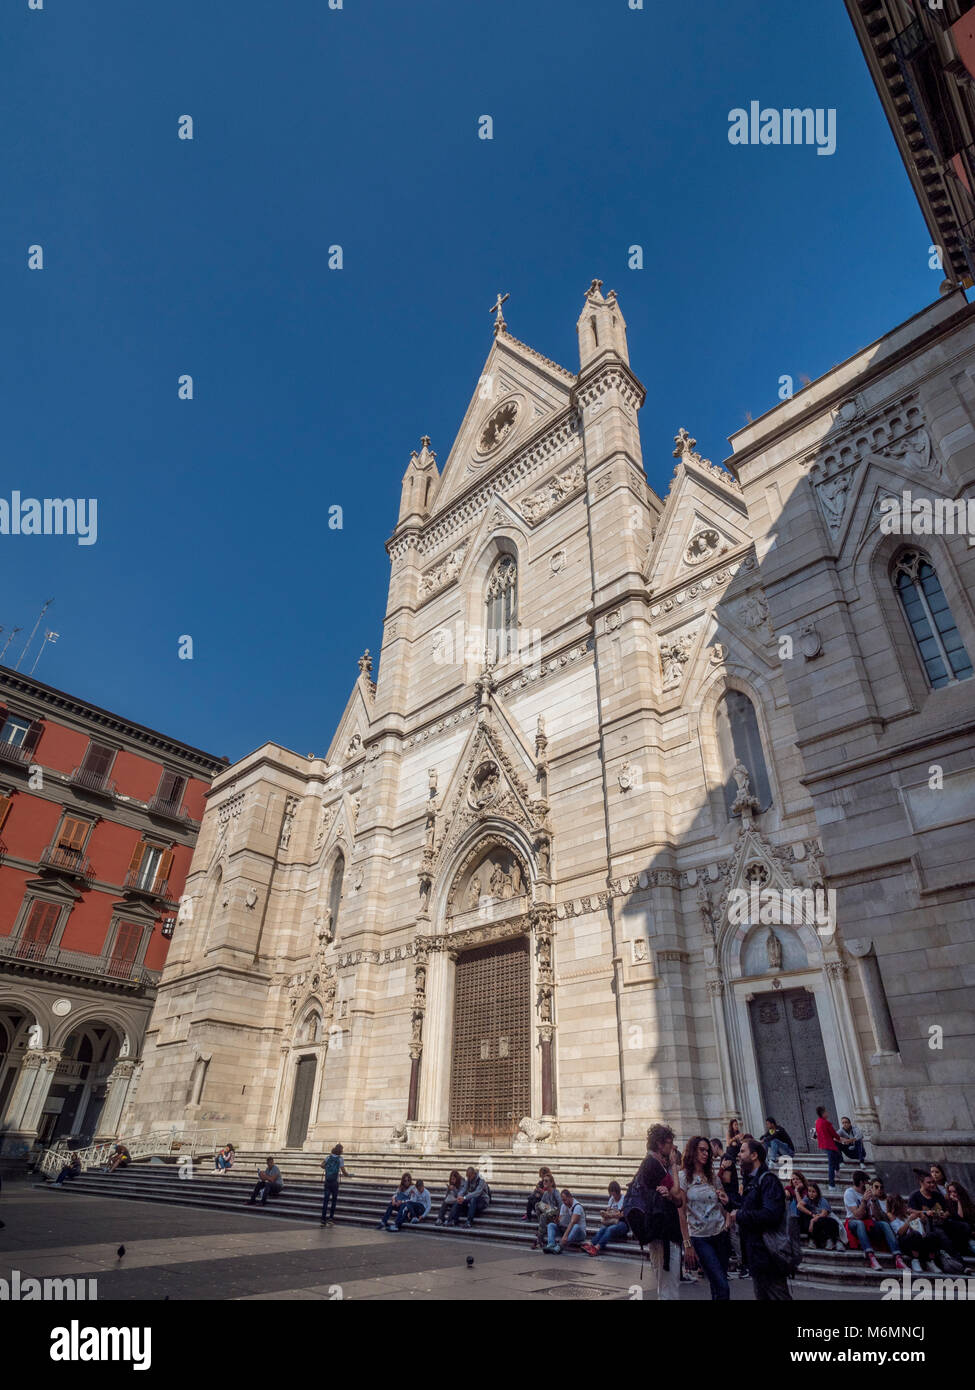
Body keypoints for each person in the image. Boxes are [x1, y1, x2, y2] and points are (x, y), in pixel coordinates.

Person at [727, 1138, 791, 1300]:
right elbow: (749, 1208)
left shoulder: (768, 1180)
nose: (739, 1155)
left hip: (769, 1256)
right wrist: (729, 1202)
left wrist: (739, 1215)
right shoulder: (752, 1181)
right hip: (757, 1256)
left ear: (754, 1155)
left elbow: (771, 1215)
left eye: (742, 1151)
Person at [626, 1123, 684, 1301]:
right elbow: (676, 1192)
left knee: (667, 1283)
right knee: (668, 1286)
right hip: (662, 1234)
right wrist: (674, 1165)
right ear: (660, 1144)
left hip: (662, 1233)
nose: (672, 1147)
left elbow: (676, 1198)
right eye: (669, 1143)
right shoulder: (652, 1164)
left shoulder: (653, 1163)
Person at [678, 1135, 732, 1300]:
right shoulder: (683, 1177)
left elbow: (724, 1201)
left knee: (717, 1284)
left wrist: (728, 1221)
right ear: (692, 1151)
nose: (706, 1154)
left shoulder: (713, 1177)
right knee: (722, 1285)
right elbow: (681, 1212)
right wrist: (687, 1244)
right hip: (700, 1238)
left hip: (720, 1234)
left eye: (707, 1151)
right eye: (702, 1150)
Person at [843, 1171, 904, 1270]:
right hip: (853, 1222)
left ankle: (898, 1257)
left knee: (884, 1224)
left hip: (868, 1221)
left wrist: (874, 1201)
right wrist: (863, 1201)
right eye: (867, 1182)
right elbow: (857, 1215)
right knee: (859, 1223)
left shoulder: (868, 1193)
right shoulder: (849, 1193)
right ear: (862, 1182)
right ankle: (871, 1256)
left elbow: (874, 1215)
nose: (868, 1184)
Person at [909, 1171, 971, 1259]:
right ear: (921, 1183)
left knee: (965, 1226)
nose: (932, 1185)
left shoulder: (937, 1195)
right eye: (929, 1183)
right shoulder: (915, 1196)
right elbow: (911, 1211)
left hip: (942, 1221)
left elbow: (947, 1210)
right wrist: (925, 1213)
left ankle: (962, 1250)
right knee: (941, 1234)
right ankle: (959, 1261)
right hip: (928, 1225)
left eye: (933, 1182)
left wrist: (945, 1214)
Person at [886, 1193, 941, 1274]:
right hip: (904, 1242)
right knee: (915, 1235)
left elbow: (920, 1227)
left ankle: (930, 1261)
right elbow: (900, 1233)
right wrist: (909, 1220)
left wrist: (922, 1221)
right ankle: (915, 1260)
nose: (904, 1206)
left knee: (933, 1235)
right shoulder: (892, 1216)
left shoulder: (907, 1214)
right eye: (902, 1205)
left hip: (918, 1239)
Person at [581, 1182, 627, 1256]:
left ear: (618, 1191)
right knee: (602, 1228)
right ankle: (591, 1243)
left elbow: (622, 1215)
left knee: (610, 1229)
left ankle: (597, 1248)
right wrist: (604, 1214)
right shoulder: (611, 1199)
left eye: (614, 1193)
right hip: (612, 1222)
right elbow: (608, 1211)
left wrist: (610, 1215)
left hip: (623, 1224)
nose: (613, 1195)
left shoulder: (624, 1199)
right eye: (611, 1193)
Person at [793, 1180, 840, 1250]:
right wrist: (811, 1214)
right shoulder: (807, 1199)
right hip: (816, 1222)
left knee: (819, 1220)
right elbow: (799, 1206)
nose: (811, 1194)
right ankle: (813, 1240)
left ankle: (829, 1241)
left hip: (827, 1221)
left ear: (817, 1192)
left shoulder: (822, 1200)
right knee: (804, 1215)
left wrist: (812, 1220)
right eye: (809, 1191)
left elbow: (823, 1214)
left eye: (813, 1192)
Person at [544, 1187, 587, 1253]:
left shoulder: (577, 1207)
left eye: (565, 1200)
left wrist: (565, 1236)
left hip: (579, 1233)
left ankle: (560, 1246)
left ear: (570, 1197)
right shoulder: (563, 1206)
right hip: (566, 1229)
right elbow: (560, 1220)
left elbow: (572, 1223)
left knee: (576, 1227)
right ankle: (551, 1244)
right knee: (551, 1225)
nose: (564, 1202)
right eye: (563, 1200)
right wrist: (556, 1220)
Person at [814, 1106, 844, 1190]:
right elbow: (833, 1133)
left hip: (824, 1144)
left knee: (837, 1155)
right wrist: (839, 1139)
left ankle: (837, 1171)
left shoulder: (818, 1122)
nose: (827, 1113)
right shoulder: (826, 1122)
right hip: (829, 1144)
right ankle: (831, 1184)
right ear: (823, 1114)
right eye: (826, 1112)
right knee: (831, 1163)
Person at [944, 1180, 975, 1256]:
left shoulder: (968, 1204)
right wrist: (958, 1202)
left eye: (955, 1192)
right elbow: (960, 1217)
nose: (953, 1194)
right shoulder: (948, 1205)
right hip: (963, 1239)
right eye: (950, 1192)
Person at [321, 1143, 349, 1225]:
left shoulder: (328, 1157)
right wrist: (347, 1175)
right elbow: (343, 1171)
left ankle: (323, 1220)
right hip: (334, 1182)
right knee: (333, 1200)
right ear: (341, 1150)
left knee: (326, 1200)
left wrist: (328, 1168)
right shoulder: (340, 1159)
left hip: (327, 1181)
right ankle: (330, 1219)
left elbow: (321, 1165)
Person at [531, 1174, 561, 1249]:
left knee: (543, 1215)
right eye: (543, 1181)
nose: (544, 1182)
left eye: (546, 1181)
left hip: (556, 1212)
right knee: (537, 1204)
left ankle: (539, 1240)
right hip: (549, 1212)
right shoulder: (545, 1193)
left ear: (551, 1183)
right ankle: (542, 1226)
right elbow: (541, 1205)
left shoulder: (556, 1192)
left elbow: (561, 1205)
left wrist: (558, 1216)